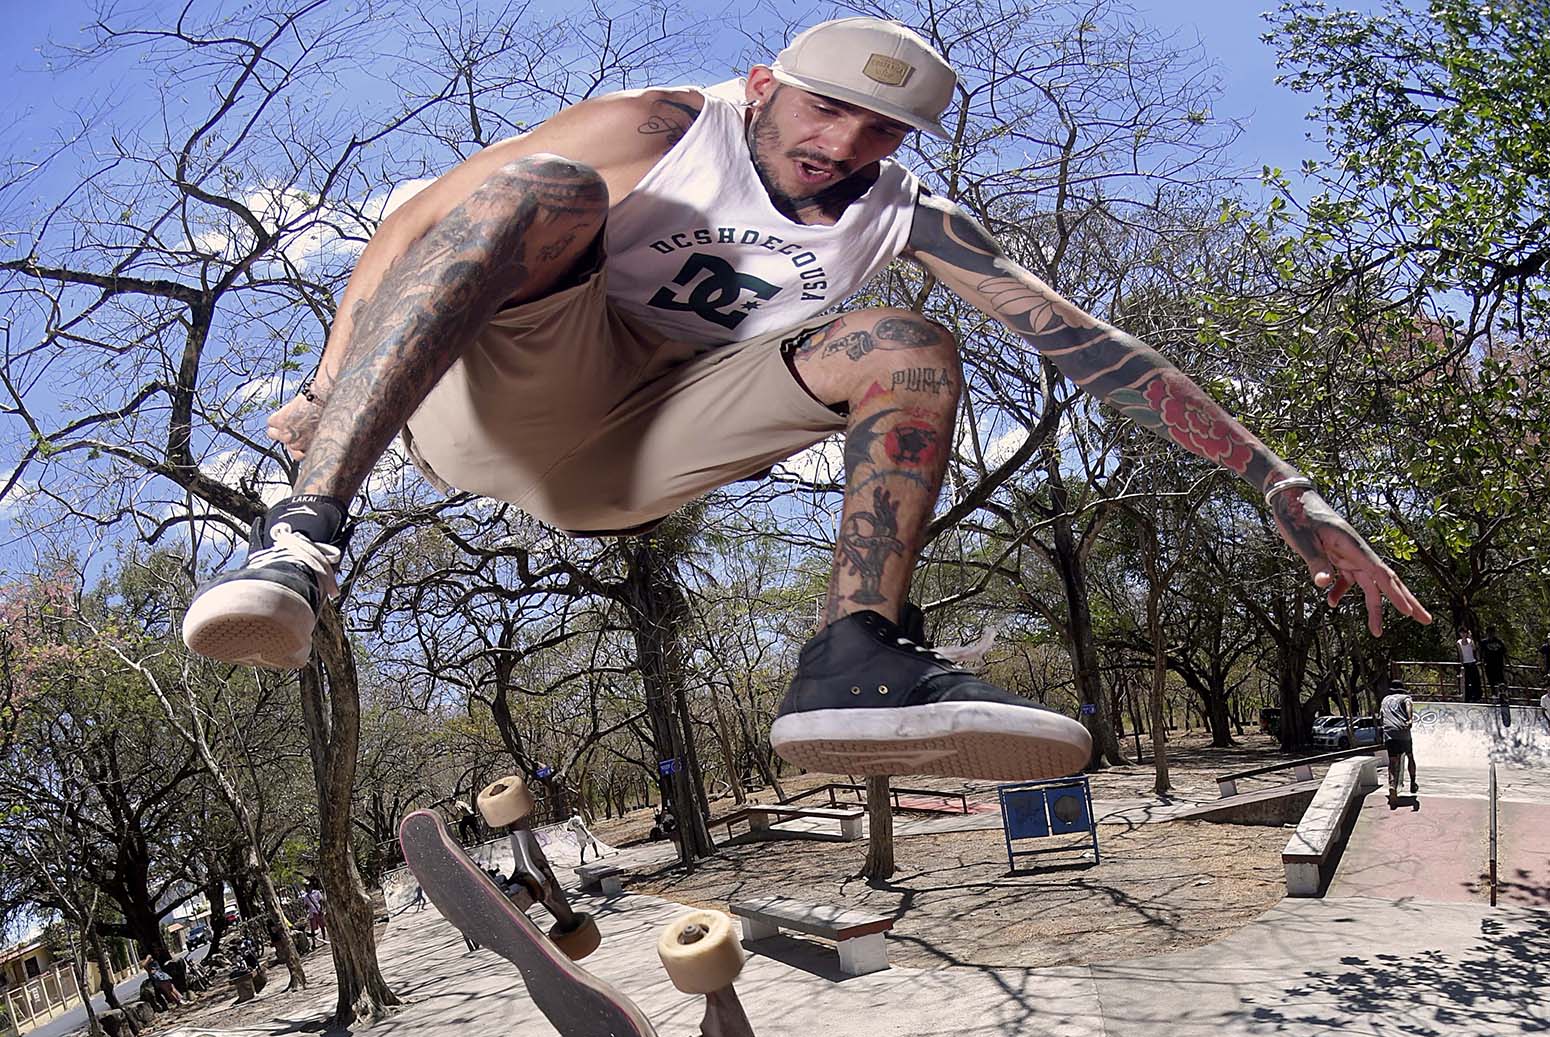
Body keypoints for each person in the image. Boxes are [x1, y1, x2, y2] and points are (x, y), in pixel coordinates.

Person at [181, 18, 1429, 784]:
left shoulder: (907, 216)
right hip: (503, 391)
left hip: (634, 448)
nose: (838, 147)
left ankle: (851, 660)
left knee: (907, 343)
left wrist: (1281, 486)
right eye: (823, 109)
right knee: (539, 190)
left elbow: (1091, 347)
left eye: (877, 132)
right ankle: (302, 545)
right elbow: (420, 222)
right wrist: (327, 390)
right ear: (762, 84)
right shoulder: (660, 125)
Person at [1378, 685, 1417, 808]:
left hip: (1389, 732)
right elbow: (1408, 705)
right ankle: (1413, 782)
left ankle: (1392, 785)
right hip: (1402, 731)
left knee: (1392, 761)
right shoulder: (1405, 697)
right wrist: (1410, 719)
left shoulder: (1385, 700)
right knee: (1410, 756)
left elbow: (1381, 717)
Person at [1458, 626, 1481, 702]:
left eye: (1464, 633)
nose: (1463, 634)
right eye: (1462, 633)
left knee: (1475, 680)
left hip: (1472, 662)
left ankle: (1477, 696)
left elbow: (1474, 648)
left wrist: (1471, 638)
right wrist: (1461, 664)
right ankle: (1468, 697)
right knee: (1467, 681)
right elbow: (1460, 654)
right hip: (1465, 663)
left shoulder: (1470, 641)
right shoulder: (1459, 642)